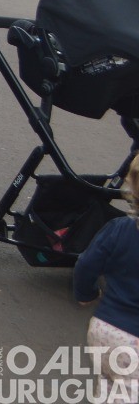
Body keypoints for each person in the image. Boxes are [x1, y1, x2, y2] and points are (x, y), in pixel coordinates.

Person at [73, 159, 139, 401]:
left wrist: (85, 294)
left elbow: (86, 264)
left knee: (108, 388)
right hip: (134, 345)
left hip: (103, 330)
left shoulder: (118, 229)